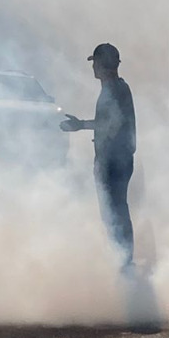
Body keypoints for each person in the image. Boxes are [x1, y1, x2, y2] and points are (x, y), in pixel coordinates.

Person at [61, 43, 137, 266]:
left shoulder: (114, 90)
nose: (93, 67)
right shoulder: (116, 88)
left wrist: (80, 125)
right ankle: (121, 257)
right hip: (115, 159)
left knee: (115, 212)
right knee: (114, 211)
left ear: (103, 65)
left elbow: (112, 124)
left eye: (95, 62)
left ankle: (123, 260)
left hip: (114, 161)